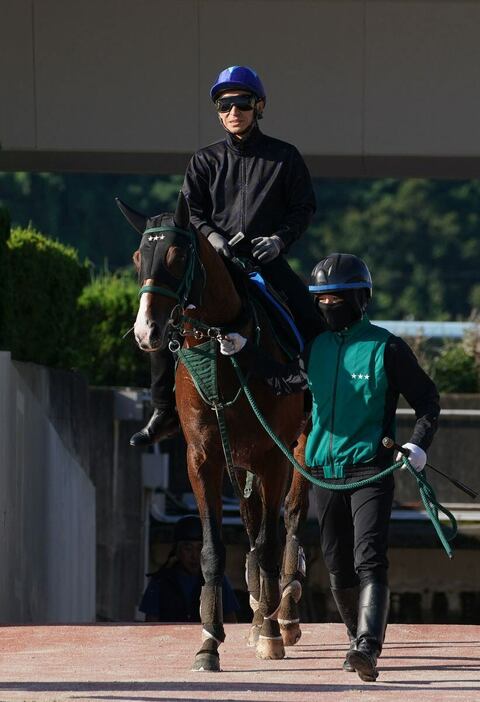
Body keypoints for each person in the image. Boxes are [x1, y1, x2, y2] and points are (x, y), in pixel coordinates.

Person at [217, 253, 440, 682]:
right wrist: (244, 353)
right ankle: (357, 640)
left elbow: (428, 400)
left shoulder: (386, 347)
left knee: (369, 560)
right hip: (322, 471)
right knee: (337, 565)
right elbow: (285, 381)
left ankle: (368, 647)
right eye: (320, 298)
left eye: (336, 297)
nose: (327, 304)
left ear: (361, 299)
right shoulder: (314, 347)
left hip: (369, 470)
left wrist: (417, 444)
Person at [130, 64, 321, 446]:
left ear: (259, 106)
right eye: (224, 105)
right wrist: (214, 240)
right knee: (164, 317)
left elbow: (304, 208)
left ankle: (317, 406)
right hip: (215, 263)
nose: (233, 112)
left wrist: (279, 241)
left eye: (242, 103)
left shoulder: (286, 157)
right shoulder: (204, 160)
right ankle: (165, 410)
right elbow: (192, 212)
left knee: (313, 320)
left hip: (265, 261)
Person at [139, 515, 239, 623]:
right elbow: (151, 625)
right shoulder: (160, 582)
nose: (194, 556)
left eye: (200, 548)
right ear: (177, 551)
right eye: (188, 548)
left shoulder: (217, 580)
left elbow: (231, 622)